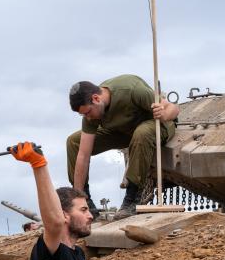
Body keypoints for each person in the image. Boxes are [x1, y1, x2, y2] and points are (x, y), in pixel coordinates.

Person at [67, 75, 179, 219]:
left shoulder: (132, 90)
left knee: (141, 133)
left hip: (157, 125)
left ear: (96, 98)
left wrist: (164, 113)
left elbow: (173, 108)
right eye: (83, 115)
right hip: (124, 132)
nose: (87, 118)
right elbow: (82, 154)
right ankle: (86, 202)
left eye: (88, 113)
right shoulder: (91, 112)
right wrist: (78, 198)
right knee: (73, 142)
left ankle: (132, 199)